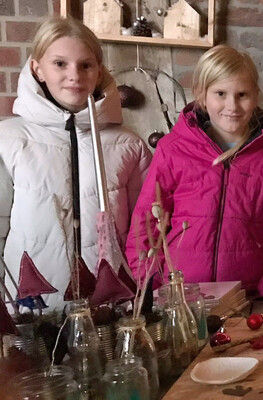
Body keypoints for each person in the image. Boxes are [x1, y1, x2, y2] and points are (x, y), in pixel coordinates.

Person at [125, 45, 263, 296]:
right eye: (220, 93)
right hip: (180, 296)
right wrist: (152, 286)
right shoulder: (173, 149)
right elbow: (146, 223)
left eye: (242, 94)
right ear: (201, 94)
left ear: (255, 96)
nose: (232, 105)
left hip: (247, 295)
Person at [0, 17, 151, 307]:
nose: (75, 75)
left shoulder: (129, 145)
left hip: (110, 308)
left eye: (85, 65)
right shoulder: (8, 140)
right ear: (38, 69)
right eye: (60, 64)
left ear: (99, 71)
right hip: (34, 309)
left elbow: (141, 230)